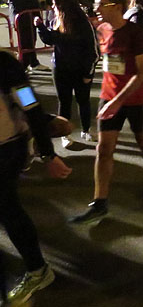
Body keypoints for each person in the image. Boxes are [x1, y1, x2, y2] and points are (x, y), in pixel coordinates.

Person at [70, 0, 143, 225]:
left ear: (118, 7)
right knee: (103, 149)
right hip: (108, 98)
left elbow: (142, 72)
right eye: (96, 4)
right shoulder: (101, 29)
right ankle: (100, 202)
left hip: (134, 99)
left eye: (102, 4)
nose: (96, 8)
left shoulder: (135, 32)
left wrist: (118, 101)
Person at [0, 50, 72, 304]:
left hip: (7, 150)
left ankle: (38, 270)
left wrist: (48, 154)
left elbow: (31, 107)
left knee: (8, 209)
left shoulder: (5, 66)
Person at [34, 0, 99, 147]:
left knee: (83, 100)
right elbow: (50, 39)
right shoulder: (55, 21)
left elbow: (93, 51)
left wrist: (88, 73)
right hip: (61, 69)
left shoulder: (83, 24)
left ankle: (86, 130)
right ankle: (65, 134)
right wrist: (40, 27)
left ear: (63, 6)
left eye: (55, 5)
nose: (53, 8)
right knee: (64, 101)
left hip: (80, 69)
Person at [7, 0, 48, 71]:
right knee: (25, 42)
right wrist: (38, 0)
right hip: (22, 17)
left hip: (31, 16)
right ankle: (22, 67)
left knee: (31, 39)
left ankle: (33, 63)